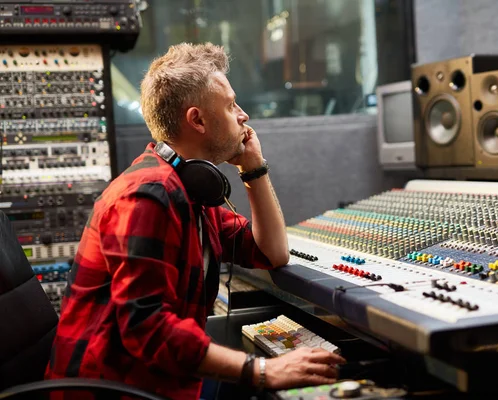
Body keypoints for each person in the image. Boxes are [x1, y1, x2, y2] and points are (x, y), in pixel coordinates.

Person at [45, 42, 345, 399]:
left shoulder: (189, 192)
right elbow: (146, 329)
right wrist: (262, 370)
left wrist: (254, 168)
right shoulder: (147, 195)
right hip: (117, 390)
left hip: (159, 383)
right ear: (197, 120)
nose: (243, 115)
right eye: (231, 104)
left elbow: (272, 253)